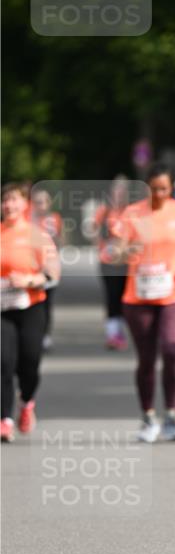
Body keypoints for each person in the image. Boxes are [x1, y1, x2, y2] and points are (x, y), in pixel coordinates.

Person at [113, 163, 175, 442]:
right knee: (147, 358)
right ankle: (148, 416)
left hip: (174, 293)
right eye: (154, 188)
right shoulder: (132, 213)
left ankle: (172, 415)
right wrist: (126, 250)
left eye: (164, 188)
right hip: (138, 296)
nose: (159, 193)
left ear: (171, 187)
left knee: (172, 348)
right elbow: (116, 251)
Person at [1, 183, 60, 442]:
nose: (9, 205)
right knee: (3, 362)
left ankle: (26, 402)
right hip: (2, 309)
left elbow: (52, 271)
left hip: (30, 306)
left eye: (14, 200)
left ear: (25, 204)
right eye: (5, 201)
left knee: (30, 362)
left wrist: (30, 280)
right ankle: (5, 419)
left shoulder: (37, 234)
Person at [92, 176, 130, 351]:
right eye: (117, 190)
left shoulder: (131, 212)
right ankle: (113, 335)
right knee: (112, 297)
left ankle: (121, 331)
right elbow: (94, 232)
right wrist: (103, 248)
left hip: (127, 262)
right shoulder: (104, 211)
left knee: (125, 298)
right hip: (107, 263)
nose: (119, 194)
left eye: (123, 190)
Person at [29, 188, 63, 352]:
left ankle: (45, 335)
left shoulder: (54, 219)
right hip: (31, 269)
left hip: (49, 268)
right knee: (34, 302)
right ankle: (32, 334)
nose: (40, 205)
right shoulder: (27, 220)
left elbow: (61, 240)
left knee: (47, 303)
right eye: (37, 202)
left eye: (43, 202)